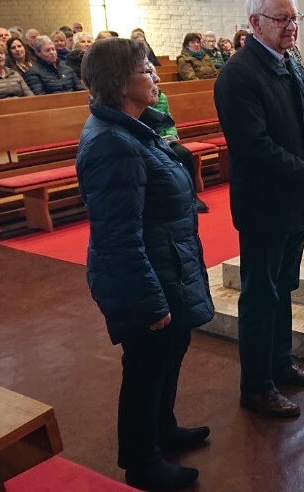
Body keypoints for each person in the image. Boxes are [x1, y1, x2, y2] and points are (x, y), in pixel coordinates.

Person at [76, 38, 213, 491]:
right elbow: (117, 236)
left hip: (165, 262)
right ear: (120, 83)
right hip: (144, 273)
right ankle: (142, 460)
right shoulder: (113, 143)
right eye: (145, 69)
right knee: (145, 365)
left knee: (168, 353)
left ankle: (162, 429)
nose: (155, 76)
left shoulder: (136, 128)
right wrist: (149, 302)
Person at [214, 0, 304, 419]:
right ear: (255, 22)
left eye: (294, 18)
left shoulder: (290, 63)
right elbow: (254, 148)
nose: (292, 27)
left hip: (293, 201)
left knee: (283, 287)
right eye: (282, 19)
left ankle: (280, 364)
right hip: (264, 206)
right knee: (260, 296)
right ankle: (256, 386)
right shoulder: (238, 75)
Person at [143, 61, 210, 213]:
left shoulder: (161, 97)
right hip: (150, 141)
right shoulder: (140, 98)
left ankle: (192, 196)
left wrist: (171, 136)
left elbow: (168, 120)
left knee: (184, 154)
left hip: (165, 139)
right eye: (150, 74)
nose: (156, 79)